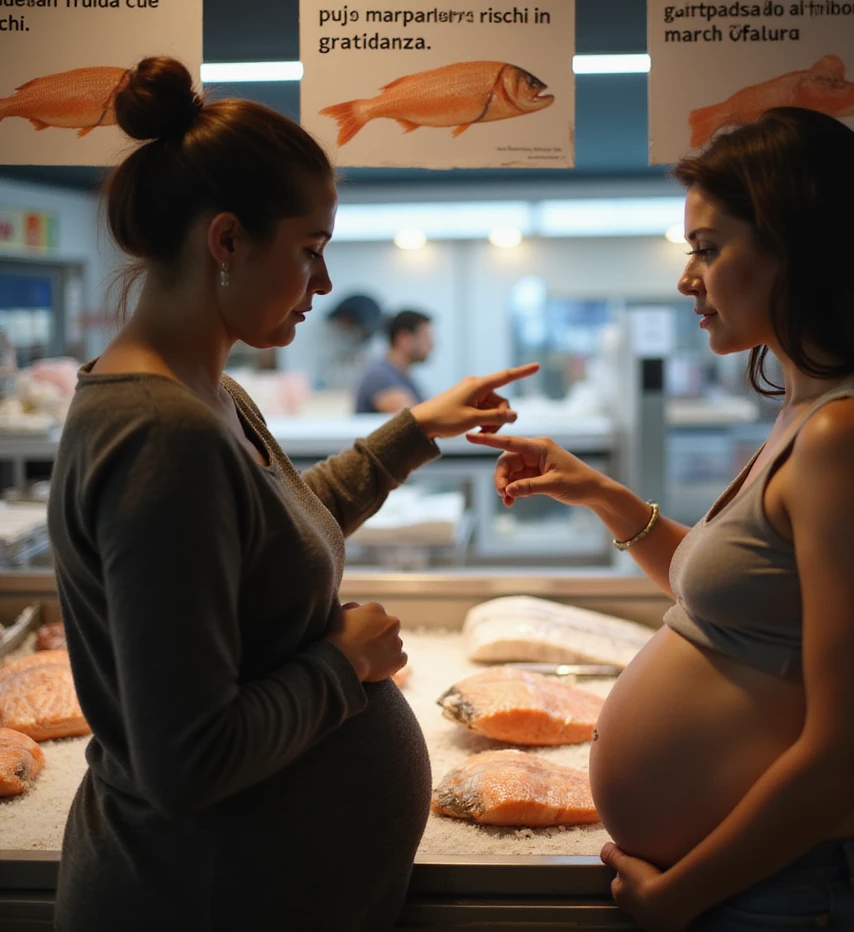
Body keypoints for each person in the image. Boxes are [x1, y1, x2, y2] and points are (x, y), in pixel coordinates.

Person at [466, 107, 854, 931]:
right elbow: (746, 602)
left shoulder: (850, 433)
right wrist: (602, 494)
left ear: (801, 249)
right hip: (781, 880)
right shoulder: (816, 408)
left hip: (807, 889)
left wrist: (679, 897)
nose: (687, 279)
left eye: (707, 248)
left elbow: (850, 752)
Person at [45, 56, 538, 932]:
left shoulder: (209, 395)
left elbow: (274, 534)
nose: (326, 283)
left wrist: (415, 430)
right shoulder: (162, 430)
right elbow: (188, 761)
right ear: (227, 241)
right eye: (310, 250)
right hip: (200, 896)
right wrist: (345, 665)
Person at [354, 309, 433, 413]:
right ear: (405, 339)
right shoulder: (379, 375)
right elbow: (412, 418)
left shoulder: (404, 378)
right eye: (426, 338)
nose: (433, 345)